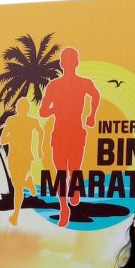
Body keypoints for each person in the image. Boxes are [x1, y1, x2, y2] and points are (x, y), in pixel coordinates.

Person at [38, 47, 101, 227]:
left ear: (62, 64)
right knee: (63, 173)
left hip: (74, 133)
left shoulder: (81, 83)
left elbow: (95, 95)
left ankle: (72, 193)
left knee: (71, 170)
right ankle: (64, 208)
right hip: (62, 134)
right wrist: (56, 109)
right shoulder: (55, 85)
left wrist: (91, 116)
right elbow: (43, 111)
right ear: (75, 63)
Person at [0, 98, 44, 226]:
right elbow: (2, 139)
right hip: (15, 157)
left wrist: (39, 149)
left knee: (18, 187)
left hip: (24, 157)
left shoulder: (30, 121)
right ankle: (27, 183)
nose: (22, 109)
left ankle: (15, 215)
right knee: (18, 185)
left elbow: (40, 131)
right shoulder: (13, 121)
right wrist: (13, 138)